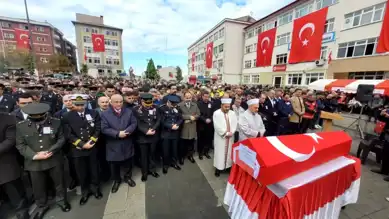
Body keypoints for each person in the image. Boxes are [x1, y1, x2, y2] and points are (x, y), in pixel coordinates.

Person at [15, 103, 71, 219]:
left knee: (59, 183)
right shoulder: (21, 126)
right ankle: (41, 205)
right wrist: (34, 155)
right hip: (34, 162)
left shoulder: (55, 122)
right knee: (38, 186)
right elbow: (20, 144)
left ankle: (62, 201)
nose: (39, 121)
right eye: (34, 118)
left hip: (54, 158)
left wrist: (50, 151)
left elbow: (61, 139)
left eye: (41, 118)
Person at [62, 94, 102, 206]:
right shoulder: (67, 116)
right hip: (78, 149)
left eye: (82, 104)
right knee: (81, 171)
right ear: (73, 104)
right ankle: (85, 192)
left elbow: (98, 128)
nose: (80, 107)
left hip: (92, 146)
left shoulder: (93, 113)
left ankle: (95, 189)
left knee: (94, 169)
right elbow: (68, 133)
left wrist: (92, 141)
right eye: (77, 104)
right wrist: (81, 144)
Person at [101, 94, 137, 193]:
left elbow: (134, 123)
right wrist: (117, 133)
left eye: (120, 102)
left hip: (127, 140)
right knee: (114, 164)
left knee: (128, 162)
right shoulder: (105, 114)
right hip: (114, 142)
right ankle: (117, 180)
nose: (119, 104)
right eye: (116, 102)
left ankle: (127, 177)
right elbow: (104, 128)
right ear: (111, 102)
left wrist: (127, 132)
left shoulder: (128, 111)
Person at [0, 112, 29, 219]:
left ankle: (21, 208)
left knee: (13, 188)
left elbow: (10, 140)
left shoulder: (8, 119)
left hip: (5, 161)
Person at [133, 93, 161, 182]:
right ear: (142, 101)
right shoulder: (136, 109)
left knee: (152, 154)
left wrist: (153, 128)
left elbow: (158, 119)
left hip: (153, 135)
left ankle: (152, 170)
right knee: (144, 156)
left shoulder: (156, 107)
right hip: (142, 137)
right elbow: (136, 122)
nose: (149, 105)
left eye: (150, 103)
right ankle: (144, 173)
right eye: (147, 103)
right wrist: (145, 131)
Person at [213, 98, 238, 177]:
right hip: (221, 137)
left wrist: (231, 132)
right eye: (225, 107)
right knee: (219, 152)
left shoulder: (232, 113)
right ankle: (218, 168)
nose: (227, 108)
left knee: (229, 152)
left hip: (230, 136)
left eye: (228, 107)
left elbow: (235, 123)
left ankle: (227, 167)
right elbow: (217, 126)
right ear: (221, 105)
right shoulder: (216, 113)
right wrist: (225, 133)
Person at [160, 95, 183, 174]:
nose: (174, 106)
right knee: (165, 151)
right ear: (168, 102)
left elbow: (180, 118)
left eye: (175, 104)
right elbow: (161, 121)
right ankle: (165, 165)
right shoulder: (162, 109)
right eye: (173, 104)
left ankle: (174, 163)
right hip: (166, 133)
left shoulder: (177, 108)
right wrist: (170, 126)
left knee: (174, 150)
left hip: (175, 133)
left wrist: (177, 124)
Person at [178, 92, 200, 164]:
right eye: (186, 97)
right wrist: (188, 117)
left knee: (191, 143)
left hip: (192, 127)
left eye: (189, 97)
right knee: (183, 144)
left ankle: (190, 156)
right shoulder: (179, 105)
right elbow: (179, 115)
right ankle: (181, 157)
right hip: (184, 127)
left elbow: (198, 114)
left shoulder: (195, 105)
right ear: (184, 97)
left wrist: (194, 117)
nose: (188, 99)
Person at [196, 91, 213, 160]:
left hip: (209, 125)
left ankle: (206, 152)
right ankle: (200, 152)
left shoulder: (211, 103)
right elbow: (198, 114)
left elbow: (214, 113)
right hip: (201, 124)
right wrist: (204, 120)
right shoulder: (198, 104)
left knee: (208, 139)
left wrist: (210, 119)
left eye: (208, 97)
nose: (206, 98)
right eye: (205, 96)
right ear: (202, 96)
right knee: (201, 139)